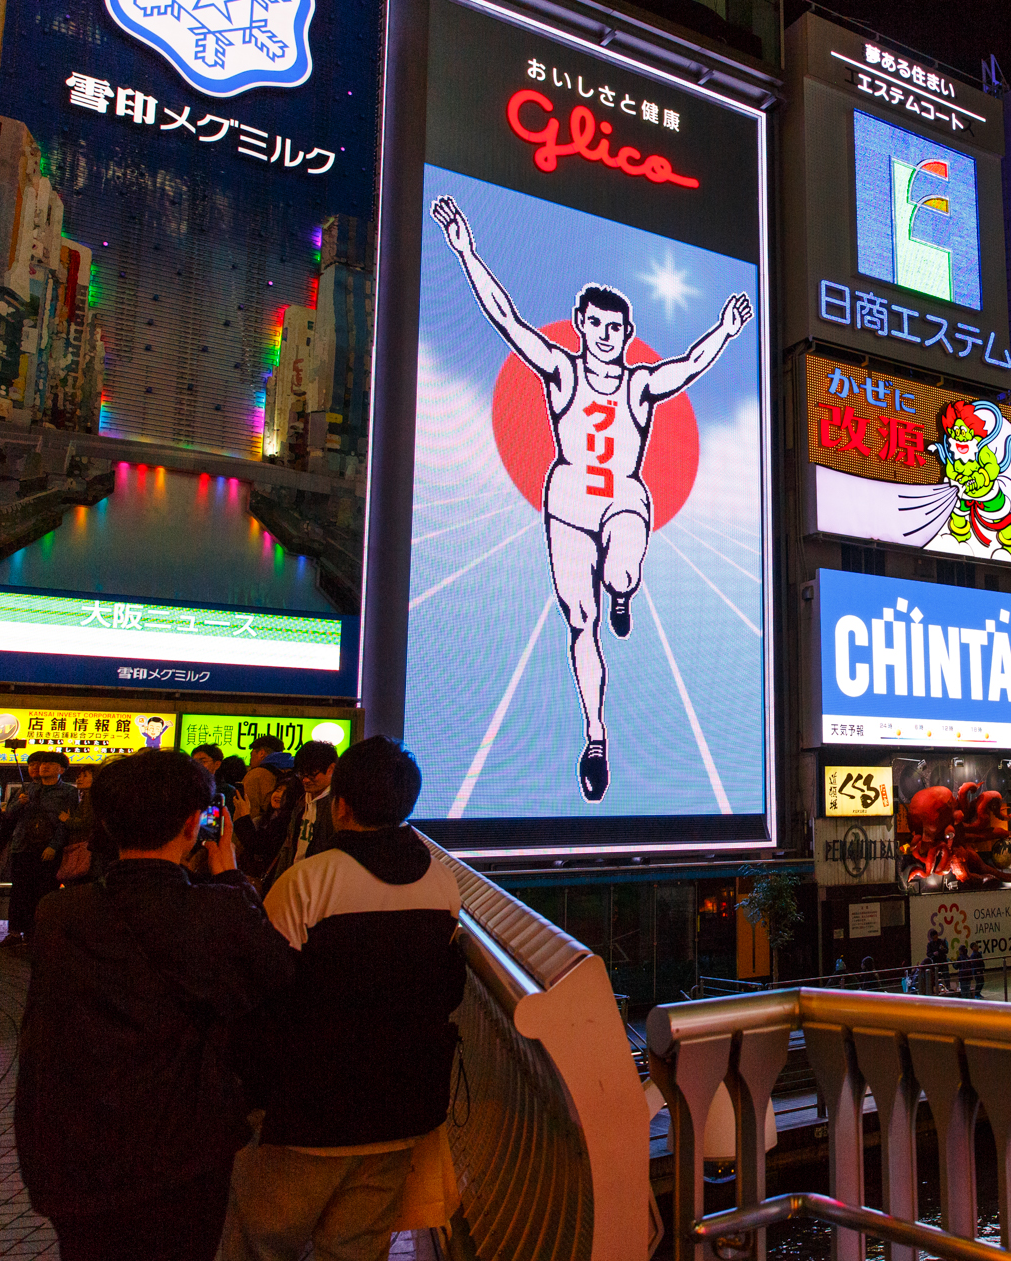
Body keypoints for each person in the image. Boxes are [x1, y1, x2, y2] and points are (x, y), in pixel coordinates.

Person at [433, 195, 753, 803]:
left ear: (628, 334)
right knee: (581, 621)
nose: (606, 337)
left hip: (625, 499)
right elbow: (507, 320)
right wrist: (466, 251)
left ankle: (624, 590)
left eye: (616, 329)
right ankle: (596, 735)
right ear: (582, 326)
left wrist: (727, 330)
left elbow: (687, 367)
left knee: (624, 568)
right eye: (596, 326)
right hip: (569, 503)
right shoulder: (560, 370)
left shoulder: (639, 384)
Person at [15, 749, 294, 1261]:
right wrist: (230, 876)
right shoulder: (216, 910)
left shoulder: (58, 914)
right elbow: (276, 979)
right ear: (195, 824)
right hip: (179, 1158)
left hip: (74, 1157)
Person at [220, 736, 463, 1261]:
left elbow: (260, 997)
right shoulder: (444, 885)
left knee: (259, 1246)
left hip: (307, 1117)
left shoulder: (306, 882)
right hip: (401, 1114)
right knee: (356, 1250)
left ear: (342, 803)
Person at [0, 750, 80, 945]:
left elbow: (64, 823)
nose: (43, 766)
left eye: (50, 764)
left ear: (61, 770)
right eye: (42, 763)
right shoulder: (26, 789)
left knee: (45, 892)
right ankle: (14, 932)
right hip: (23, 847)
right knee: (19, 892)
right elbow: (9, 819)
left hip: (48, 849)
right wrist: (19, 805)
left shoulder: (68, 792)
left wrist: (54, 846)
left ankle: (36, 933)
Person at [261, 740, 340, 891]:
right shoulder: (302, 800)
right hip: (295, 881)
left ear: (331, 769)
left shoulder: (338, 806)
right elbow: (288, 847)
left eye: (312, 774)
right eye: (301, 773)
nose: (305, 779)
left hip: (319, 887)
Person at [242, 735, 290, 818]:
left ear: (261, 753)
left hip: (263, 827)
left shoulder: (255, 775)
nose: (250, 761)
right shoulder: (291, 770)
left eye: (251, 755)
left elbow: (249, 810)